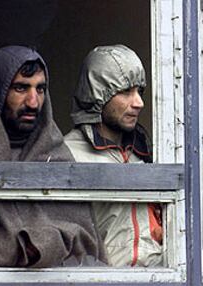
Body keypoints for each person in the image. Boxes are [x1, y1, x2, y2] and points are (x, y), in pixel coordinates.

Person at [0, 45, 106, 267]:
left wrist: (39, 245)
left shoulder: (57, 155)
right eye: (20, 88)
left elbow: (86, 241)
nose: (33, 102)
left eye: (40, 89)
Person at [65, 45, 162, 267]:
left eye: (139, 91)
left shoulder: (146, 153)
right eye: (126, 91)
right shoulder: (68, 154)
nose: (139, 103)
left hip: (163, 276)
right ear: (98, 94)